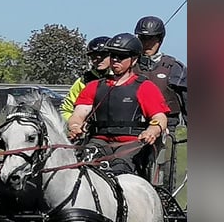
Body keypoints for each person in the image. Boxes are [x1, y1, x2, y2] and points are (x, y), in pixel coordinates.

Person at [67, 33, 170, 178]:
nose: (115, 60)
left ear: (134, 60)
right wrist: (75, 126)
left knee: (120, 166)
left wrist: (152, 130)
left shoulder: (145, 87)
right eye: (113, 55)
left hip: (131, 143)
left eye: (121, 57)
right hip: (99, 141)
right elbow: (78, 114)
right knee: (84, 163)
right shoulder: (93, 86)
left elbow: (159, 117)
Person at [133, 16, 187, 128]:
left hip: (166, 127)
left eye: (151, 39)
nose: (147, 43)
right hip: (134, 128)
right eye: (143, 38)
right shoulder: (129, 65)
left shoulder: (175, 67)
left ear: (160, 39)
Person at [59, 36, 112, 121]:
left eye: (103, 55)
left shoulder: (124, 78)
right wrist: (75, 125)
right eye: (93, 56)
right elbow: (66, 110)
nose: (98, 59)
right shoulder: (83, 81)